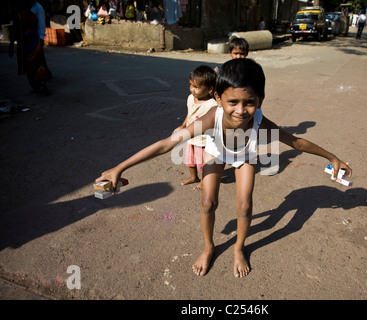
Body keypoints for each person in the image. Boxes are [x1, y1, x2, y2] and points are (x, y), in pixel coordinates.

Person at [95, 58, 352, 278]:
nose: (241, 111)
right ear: (218, 98)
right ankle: (209, 246)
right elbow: (165, 145)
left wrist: (331, 156)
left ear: (260, 100)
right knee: (208, 202)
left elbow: (296, 142)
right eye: (232, 102)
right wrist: (120, 167)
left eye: (249, 102)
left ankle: (239, 247)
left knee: (244, 205)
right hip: (216, 153)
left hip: (245, 156)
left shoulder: (260, 124)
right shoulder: (211, 118)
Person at [173, 65, 217, 190]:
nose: (192, 89)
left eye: (196, 87)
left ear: (210, 89)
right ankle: (194, 177)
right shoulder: (191, 98)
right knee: (190, 160)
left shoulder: (211, 104)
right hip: (190, 137)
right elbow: (190, 113)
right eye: (191, 85)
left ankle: (204, 180)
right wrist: (183, 125)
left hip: (203, 140)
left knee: (203, 163)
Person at [8, 0, 49, 93]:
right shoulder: (23, 13)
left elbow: (41, 25)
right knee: (33, 65)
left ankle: (40, 83)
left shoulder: (36, 9)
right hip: (28, 42)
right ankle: (38, 84)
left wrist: (41, 38)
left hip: (32, 41)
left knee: (36, 64)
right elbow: (15, 29)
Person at [30, 0, 52, 80]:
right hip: (28, 37)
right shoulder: (26, 8)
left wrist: (41, 37)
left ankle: (45, 75)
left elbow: (41, 24)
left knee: (39, 58)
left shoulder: (38, 8)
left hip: (36, 36)